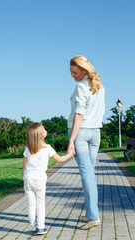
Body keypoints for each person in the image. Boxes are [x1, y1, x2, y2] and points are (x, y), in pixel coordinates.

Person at [67, 55, 105, 230]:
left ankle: (94, 217)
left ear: (84, 70)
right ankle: (91, 214)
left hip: (81, 133)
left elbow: (79, 114)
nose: (72, 76)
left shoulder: (81, 86)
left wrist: (72, 139)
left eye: (75, 72)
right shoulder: (99, 87)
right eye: (71, 72)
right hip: (95, 133)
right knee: (90, 174)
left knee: (87, 174)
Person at [23, 122, 74, 235]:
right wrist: (70, 155)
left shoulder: (28, 149)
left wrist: (25, 177)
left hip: (28, 179)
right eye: (44, 129)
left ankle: (33, 227)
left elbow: (24, 166)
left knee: (31, 204)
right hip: (40, 179)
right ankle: (41, 227)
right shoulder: (47, 148)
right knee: (40, 202)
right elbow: (60, 159)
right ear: (42, 135)